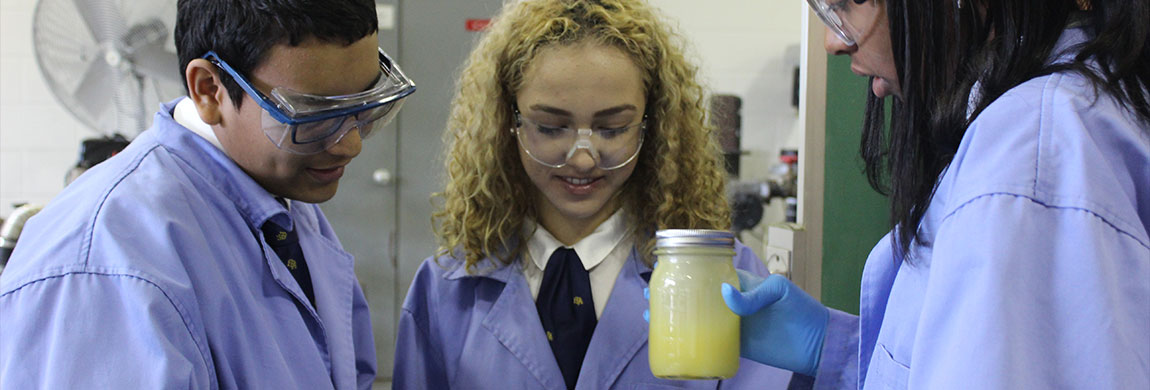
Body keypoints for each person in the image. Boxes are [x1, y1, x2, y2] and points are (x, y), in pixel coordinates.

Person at [719, 0, 1149, 388]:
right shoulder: (1053, 118)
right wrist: (840, 349)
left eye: (846, 4)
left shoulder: (1025, 162)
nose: (833, 41)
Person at [0, 0, 414, 388]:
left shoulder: (282, 200)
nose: (350, 145)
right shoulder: (105, 265)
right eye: (314, 116)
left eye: (365, 106)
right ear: (209, 89)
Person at [393, 0, 795, 389]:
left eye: (613, 128)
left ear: (651, 125)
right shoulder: (446, 291)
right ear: (506, 122)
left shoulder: (727, 280)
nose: (583, 159)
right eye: (550, 127)